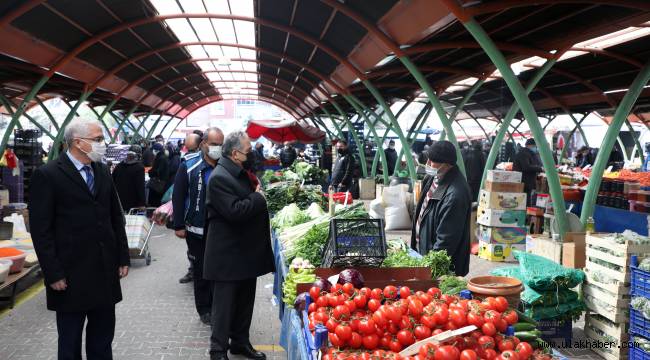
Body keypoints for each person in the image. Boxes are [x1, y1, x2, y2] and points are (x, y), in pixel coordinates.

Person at [29, 119, 130, 360]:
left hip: (104, 272)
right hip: (70, 276)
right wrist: (53, 273)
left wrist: (122, 256)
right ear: (78, 142)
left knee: (102, 340)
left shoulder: (102, 170)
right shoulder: (48, 174)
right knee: (70, 342)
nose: (102, 144)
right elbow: (41, 230)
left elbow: (115, 216)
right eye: (97, 139)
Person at [204, 131, 274, 360]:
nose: (251, 154)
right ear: (235, 154)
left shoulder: (238, 172)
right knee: (224, 307)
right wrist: (258, 198)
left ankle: (240, 343)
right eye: (247, 150)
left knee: (245, 302)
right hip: (227, 254)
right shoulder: (220, 177)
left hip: (244, 251)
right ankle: (218, 350)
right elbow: (235, 211)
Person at [172, 128, 224, 325]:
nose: (217, 148)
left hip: (220, 229)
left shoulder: (225, 164)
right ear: (203, 144)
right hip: (196, 228)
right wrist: (178, 225)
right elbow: (178, 195)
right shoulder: (189, 165)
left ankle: (219, 306)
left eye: (220, 144)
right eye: (213, 144)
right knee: (201, 270)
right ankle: (204, 309)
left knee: (219, 270)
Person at [411, 141, 471, 276]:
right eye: (428, 159)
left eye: (433, 161)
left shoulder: (455, 194)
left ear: (447, 164)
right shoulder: (433, 177)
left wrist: (431, 267)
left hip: (443, 268)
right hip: (424, 254)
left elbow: (446, 240)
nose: (427, 164)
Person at [112, 145, 146, 212]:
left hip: (119, 200)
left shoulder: (119, 166)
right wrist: (142, 203)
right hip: (132, 201)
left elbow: (112, 182)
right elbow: (140, 187)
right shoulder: (139, 168)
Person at [147, 142, 169, 207]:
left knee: (155, 201)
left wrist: (150, 172)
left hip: (157, 184)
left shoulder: (161, 158)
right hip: (160, 182)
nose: (152, 151)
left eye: (153, 150)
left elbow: (157, 171)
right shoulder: (162, 157)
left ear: (157, 150)